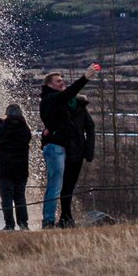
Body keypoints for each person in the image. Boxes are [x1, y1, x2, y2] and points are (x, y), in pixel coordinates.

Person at [39, 68, 94, 231]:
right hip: (55, 147)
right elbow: (68, 93)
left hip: (65, 146)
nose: (62, 82)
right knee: (55, 185)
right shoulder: (51, 99)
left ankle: (63, 218)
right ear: (49, 85)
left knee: (64, 185)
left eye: (62, 80)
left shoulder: (62, 102)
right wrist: (85, 77)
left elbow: (86, 125)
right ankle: (48, 220)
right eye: (58, 80)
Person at [0, 102, 31, 230]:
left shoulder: (3, 127)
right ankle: (23, 224)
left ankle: (9, 224)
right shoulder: (25, 129)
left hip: (4, 169)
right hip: (21, 170)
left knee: (6, 198)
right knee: (20, 197)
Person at [60, 85, 97, 227]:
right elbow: (90, 128)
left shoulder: (79, 108)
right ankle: (66, 216)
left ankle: (66, 216)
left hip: (73, 150)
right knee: (65, 185)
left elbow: (90, 127)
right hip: (67, 149)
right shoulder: (78, 107)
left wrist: (89, 152)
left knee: (67, 185)